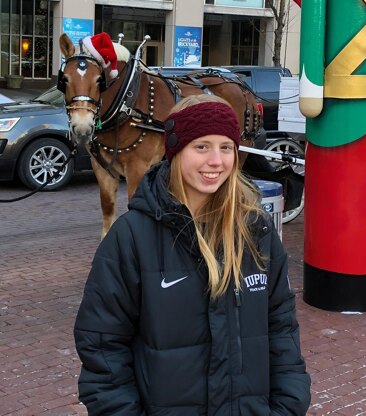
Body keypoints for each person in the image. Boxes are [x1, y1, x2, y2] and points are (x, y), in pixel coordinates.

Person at [74, 94, 311, 415]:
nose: (216, 160)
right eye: (201, 146)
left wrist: (287, 406)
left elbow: (281, 331)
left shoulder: (257, 230)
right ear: (175, 152)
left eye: (226, 147)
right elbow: (103, 351)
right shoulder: (130, 238)